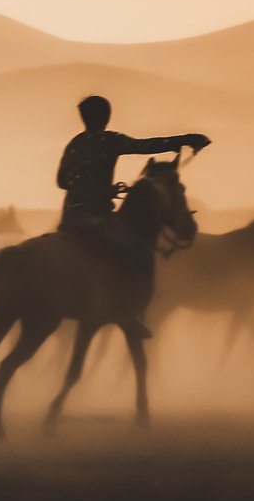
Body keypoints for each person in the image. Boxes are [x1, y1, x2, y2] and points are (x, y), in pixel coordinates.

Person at [56, 95, 209, 336]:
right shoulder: (111, 141)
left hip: (70, 218)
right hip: (96, 218)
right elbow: (145, 146)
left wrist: (87, 179)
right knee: (137, 249)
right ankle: (130, 312)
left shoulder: (75, 143)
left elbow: (62, 181)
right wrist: (185, 140)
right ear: (106, 117)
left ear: (83, 118)